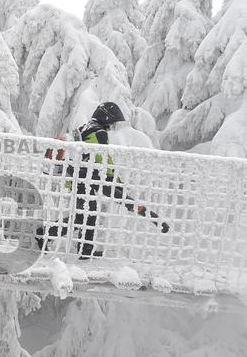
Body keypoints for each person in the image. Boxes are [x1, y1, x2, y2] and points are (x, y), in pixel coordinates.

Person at [40, 102, 169, 259]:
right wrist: (112, 180)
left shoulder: (85, 128)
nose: (112, 126)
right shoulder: (99, 133)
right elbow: (102, 158)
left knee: (86, 214)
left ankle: (80, 248)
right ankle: (51, 237)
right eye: (112, 122)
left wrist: (113, 180)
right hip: (87, 178)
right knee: (87, 214)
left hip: (78, 178)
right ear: (106, 119)